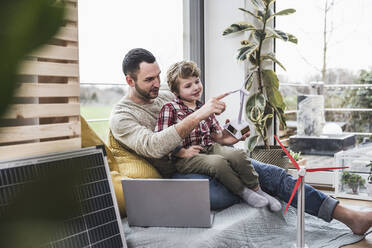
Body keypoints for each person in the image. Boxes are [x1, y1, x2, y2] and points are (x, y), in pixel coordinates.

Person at [109, 48, 372, 235]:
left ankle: (349, 217)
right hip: (177, 176)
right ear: (130, 80)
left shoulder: (166, 94)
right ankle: (266, 192)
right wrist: (202, 112)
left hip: (205, 158)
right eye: (149, 80)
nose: (157, 84)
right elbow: (155, 145)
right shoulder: (123, 117)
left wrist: (226, 137)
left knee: (271, 174)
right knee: (240, 182)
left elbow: (202, 129)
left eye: (157, 76)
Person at [154, 60, 281, 211]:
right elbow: (161, 138)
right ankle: (243, 192)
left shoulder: (204, 107)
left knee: (238, 154)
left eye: (197, 81)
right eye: (188, 85)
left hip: (209, 147)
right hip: (185, 157)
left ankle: (257, 190)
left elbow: (218, 136)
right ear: (176, 92)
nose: (195, 87)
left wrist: (232, 136)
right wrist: (181, 151)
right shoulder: (170, 108)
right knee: (218, 163)